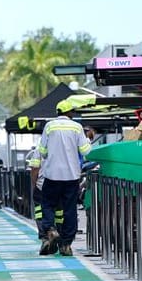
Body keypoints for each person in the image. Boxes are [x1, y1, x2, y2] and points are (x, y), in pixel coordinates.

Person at [38, 100, 91, 256]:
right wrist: (88, 140)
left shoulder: (49, 126)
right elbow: (85, 150)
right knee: (69, 210)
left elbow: (42, 150)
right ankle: (66, 244)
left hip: (52, 174)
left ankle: (50, 229)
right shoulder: (76, 127)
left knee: (47, 204)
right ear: (70, 113)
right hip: (71, 176)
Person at [27, 141, 63, 254]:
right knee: (59, 213)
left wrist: (34, 184)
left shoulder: (39, 149)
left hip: (42, 185)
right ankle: (61, 241)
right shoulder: (64, 149)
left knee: (40, 212)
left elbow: (34, 169)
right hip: (61, 184)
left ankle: (46, 238)